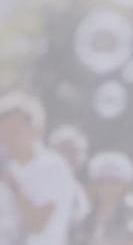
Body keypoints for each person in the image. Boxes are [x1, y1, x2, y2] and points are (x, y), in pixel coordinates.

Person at [0, 92, 77, 245]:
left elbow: (38, 224)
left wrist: (13, 185)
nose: (6, 139)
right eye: (3, 132)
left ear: (36, 130)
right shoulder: (8, 166)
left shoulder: (53, 167)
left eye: (14, 132)